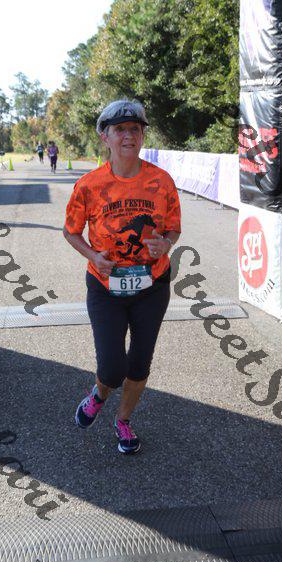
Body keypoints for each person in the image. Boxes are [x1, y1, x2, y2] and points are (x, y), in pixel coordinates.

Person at [63, 99, 181, 455]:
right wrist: (93, 256)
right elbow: (70, 231)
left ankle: (123, 420)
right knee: (113, 368)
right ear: (105, 137)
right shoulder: (89, 185)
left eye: (135, 129)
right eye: (120, 130)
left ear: (142, 135)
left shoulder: (161, 181)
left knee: (140, 363)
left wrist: (166, 244)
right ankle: (99, 395)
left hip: (152, 286)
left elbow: (174, 228)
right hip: (105, 287)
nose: (129, 136)